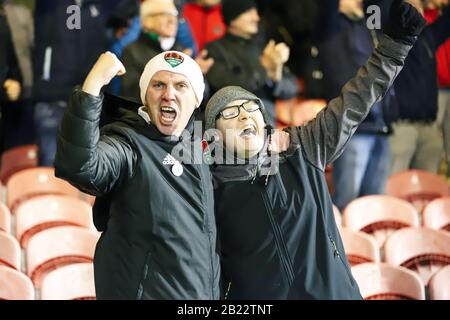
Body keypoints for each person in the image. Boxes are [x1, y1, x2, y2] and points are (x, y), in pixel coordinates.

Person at [204, 0, 424, 299]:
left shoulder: (303, 151)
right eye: (229, 113)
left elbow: (355, 100)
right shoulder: (208, 187)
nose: (244, 115)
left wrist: (394, 48)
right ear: (214, 135)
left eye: (250, 108)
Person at [54, 50, 220, 299]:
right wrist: (93, 86)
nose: (169, 94)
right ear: (145, 95)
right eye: (159, 85)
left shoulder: (202, 146)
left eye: (181, 85)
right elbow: (79, 165)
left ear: (197, 99)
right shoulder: (128, 143)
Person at [205, 0, 298, 126]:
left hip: (266, 125)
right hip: (232, 126)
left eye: (256, 12)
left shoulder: (265, 47)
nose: (256, 18)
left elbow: (292, 88)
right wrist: (264, 68)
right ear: (233, 18)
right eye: (249, 13)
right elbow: (226, 89)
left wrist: (276, 76)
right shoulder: (214, 50)